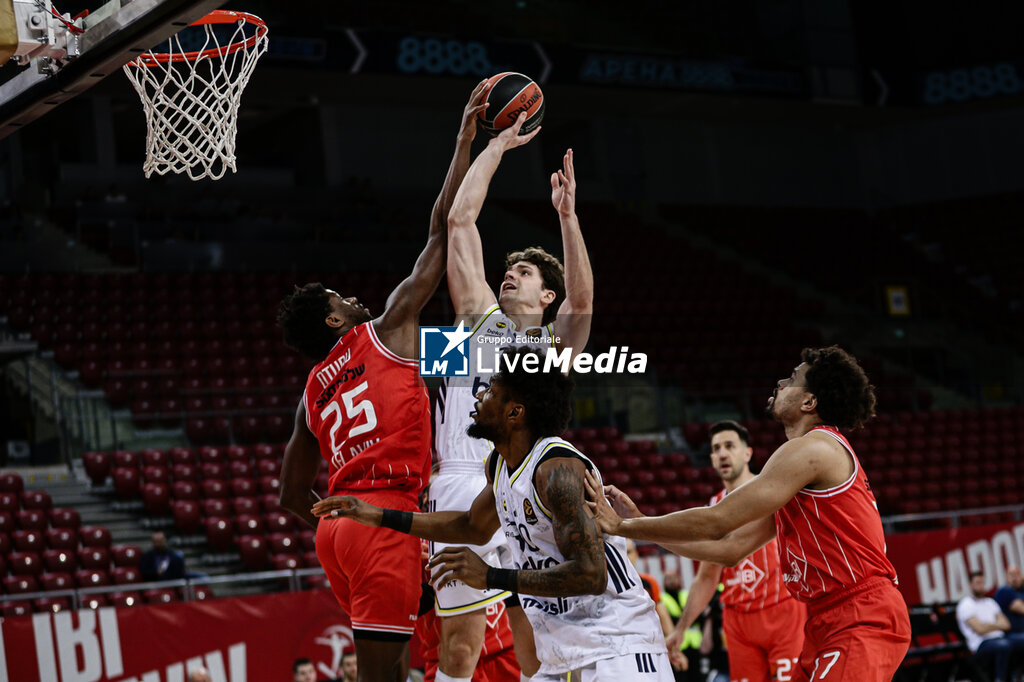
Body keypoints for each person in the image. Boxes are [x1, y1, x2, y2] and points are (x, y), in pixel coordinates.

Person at [277, 81, 491, 682]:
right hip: (385, 513)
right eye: (341, 298)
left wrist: (340, 522)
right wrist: (464, 145)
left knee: (409, 654)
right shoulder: (387, 331)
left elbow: (291, 496)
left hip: (340, 531)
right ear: (333, 318)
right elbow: (442, 232)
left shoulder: (311, 389)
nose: (353, 298)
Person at [312, 347, 672, 682]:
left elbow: (591, 574)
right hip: (564, 652)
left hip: (620, 646)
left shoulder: (557, 470)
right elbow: (471, 525)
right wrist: (378, 516)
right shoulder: (501, 465)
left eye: (489, 392)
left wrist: (490, 576)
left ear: (515, 413)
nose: (479, 397)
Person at [586, 346, 912, 682]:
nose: (781, 381)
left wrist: (625, 526)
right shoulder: (798, 471)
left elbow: (717, 521)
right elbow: (729, 549)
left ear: (809, 402)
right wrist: (641, 519)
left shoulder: (814, 449)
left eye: (793, 378)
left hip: (859, 613)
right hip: (823, 618)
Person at [430, 102, 592, 681]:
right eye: (511, 268)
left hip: (522, 485)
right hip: (462, 476)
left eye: (524, 272)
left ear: (546, 296)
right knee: (461, 647)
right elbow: (459, 224)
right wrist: (496, 146)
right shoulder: (478, 319)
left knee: (540, 633)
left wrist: (567, 219)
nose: (511, 273)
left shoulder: (556, 347)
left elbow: (583, 302)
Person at [662, 420, 806, 681]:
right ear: (712, 459)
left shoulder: (774, 490)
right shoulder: (714, 506)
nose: (723, 453)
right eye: (717, 449)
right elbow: (707, 576)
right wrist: (682, 628)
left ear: (747, 453)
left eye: (730, 446)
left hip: (783, 610)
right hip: (738, 621)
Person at [956, 571, 1024, 682]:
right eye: (977, 583)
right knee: (1004, 645)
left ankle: (1018, 675)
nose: (980, 585)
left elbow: (1006, 625)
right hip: (981, 644)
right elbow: (979, 629)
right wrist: (997, 625)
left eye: (982, 582)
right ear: (970, 585)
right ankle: (1000, 679)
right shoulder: (966, 604)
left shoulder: (990, 602)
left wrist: (987, 625)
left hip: (1001, 638)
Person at [995, 565, 1024, 634]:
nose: (1015, 578)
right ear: (1006, 578)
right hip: (1014, 633)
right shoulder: (1005, 591)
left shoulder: (1021, 590)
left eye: (1017, 574)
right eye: (1011, 575)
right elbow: (1022, 609)